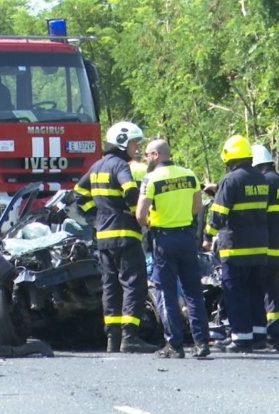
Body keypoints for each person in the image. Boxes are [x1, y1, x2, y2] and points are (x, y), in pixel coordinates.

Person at [74, 122, 158, 354]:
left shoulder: (97, 166)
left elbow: (79, 194)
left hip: (103, 237)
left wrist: (96, 214)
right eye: (133, 143)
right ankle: (130, 337)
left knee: (110, 286)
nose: (136, 148)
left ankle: (113, 339)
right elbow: (131, 191)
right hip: (125, 235)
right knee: (134, 283)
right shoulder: (121, 165)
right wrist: (134, 211)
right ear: (123, 143)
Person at [136, 139, 211, 358]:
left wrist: (152, 222)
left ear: (157, 155)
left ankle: (174, 344)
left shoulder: (151, 179)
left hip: (164, 239)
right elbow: (197, 207)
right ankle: (201, 342)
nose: (146, 158)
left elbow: (140, 216)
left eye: (148, 154)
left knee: (166, 292)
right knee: (193, 291)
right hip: (187, 238)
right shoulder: (189, 174)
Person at [202, 135, 269, 353]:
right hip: (260, 247)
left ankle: (241, 338)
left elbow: (219, 214)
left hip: (235, 247)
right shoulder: (261, 179)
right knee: (256, 292)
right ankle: (259, 335)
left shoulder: (230, 180)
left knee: (236, 292)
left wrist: (207, 236)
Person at [252, 144, 279, 350]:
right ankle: (275, 336)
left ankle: (259, 334)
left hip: (259, 247)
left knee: (257, 291)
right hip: (277, 247)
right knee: (273, 292)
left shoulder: (261, 183)